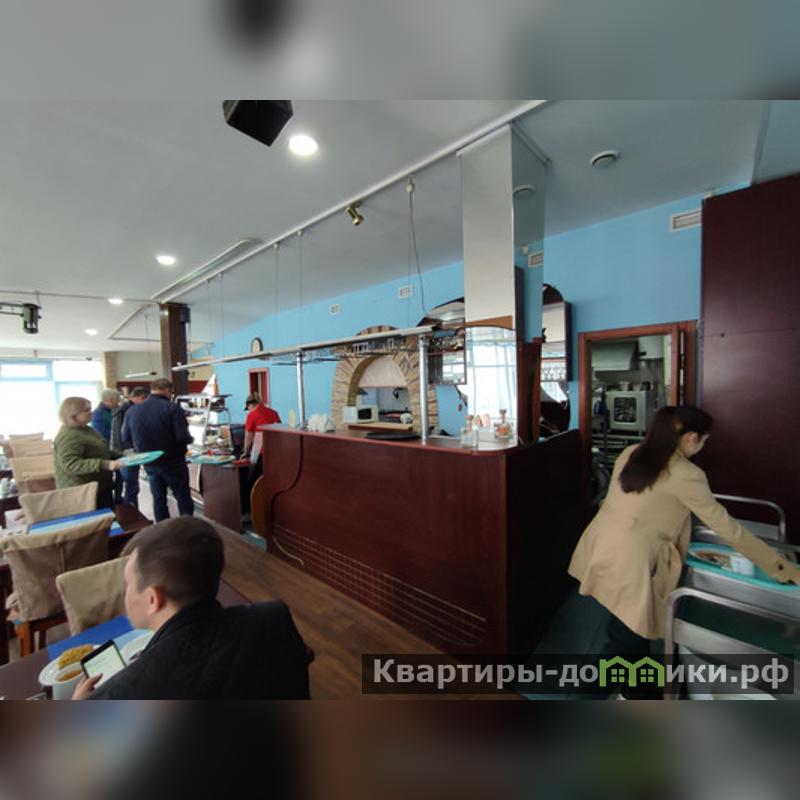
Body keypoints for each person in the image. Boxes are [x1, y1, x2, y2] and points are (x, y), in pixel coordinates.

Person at [569, 406, 799, 676]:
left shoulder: (632, 453)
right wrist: (780, 567)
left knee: (627, 624)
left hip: (604, 548)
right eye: (704, 440)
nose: (702, 446)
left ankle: (639, 688)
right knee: (624, 643)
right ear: (691, 438)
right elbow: (728, 528)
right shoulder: (685, 474)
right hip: (632, 562)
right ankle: (586, 693)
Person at [73, 517, 310, 700]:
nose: (125, 592)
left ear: (153, 599)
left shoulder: (115, 697)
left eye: (129, 584)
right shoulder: (274, 617)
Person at [122, 378, 194, 522]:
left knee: (159, 498)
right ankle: (187, 527)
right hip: (173, 461)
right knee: (182, 496)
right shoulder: (173, 408)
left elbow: (125, 437)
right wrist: (190, 440)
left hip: (149, 462)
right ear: (167, 390)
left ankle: (162, 527)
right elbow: (182, 436)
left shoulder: (132, 410)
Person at [54, 396, 123, 509]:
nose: (91, 412)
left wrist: (122, 455)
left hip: (98, 488)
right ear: (73, 415)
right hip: (82, 493)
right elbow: (70, 464)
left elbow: (99, 451)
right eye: (86, 410)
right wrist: (105, 464)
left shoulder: (86, 429)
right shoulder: (68, 436)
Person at [110, 386, 150, 509]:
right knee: (131, 486)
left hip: (127, 451)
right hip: (126, 452)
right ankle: (131, 513)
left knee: (132, 485)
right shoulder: (125, 410)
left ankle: (132, 511)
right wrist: (122, 453)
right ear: (141, 397)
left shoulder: (127, 409)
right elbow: (119, 434)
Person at [243, 392, 281, 487]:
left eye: (248, 408)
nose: (248, 410)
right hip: (276, 452)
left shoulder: (251, 415)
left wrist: (245, 452)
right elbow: (280, 430)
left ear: (250, 405)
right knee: (272, 479)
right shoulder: (274, 412)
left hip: (261, 452)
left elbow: (248, 437)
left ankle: (252, 496)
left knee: (254, 481)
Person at [92, 388, 122, 503]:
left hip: (115, 449)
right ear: (110, 400)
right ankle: (116, 500)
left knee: (120, 477)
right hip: (107, 450)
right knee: (109, 478)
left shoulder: (112, 411)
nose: (118, 402)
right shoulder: (98, 414)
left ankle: (119, 498)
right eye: (117, 400)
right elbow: (103, 435)